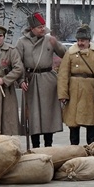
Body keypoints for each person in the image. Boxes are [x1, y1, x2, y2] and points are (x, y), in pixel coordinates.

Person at [16, 12, 66, 148]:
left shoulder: (49, 39)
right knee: (33, 117)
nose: (42, 29)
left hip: (48, 81)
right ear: (32, 28)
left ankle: (48, 146)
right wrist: (20, 80)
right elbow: (17, 63)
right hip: (31, 80)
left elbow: (65, 54)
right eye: (39, 27)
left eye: (43, 26)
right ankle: (36, 146)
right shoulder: (22, 42)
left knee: (48, 115)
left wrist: (57, 44)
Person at [57, 24, 94, 145]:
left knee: (91, 124)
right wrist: (63, 94)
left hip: (91, 93)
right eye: (79, 40)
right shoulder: (70, 54)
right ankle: (74, 149)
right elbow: (63, 75)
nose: (81, 43)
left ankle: (91, 149)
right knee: (73, 125)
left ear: (88, 41)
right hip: (73, 93)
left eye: (83, 40)